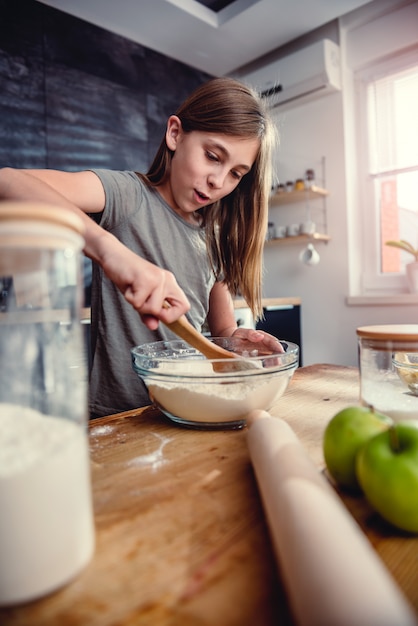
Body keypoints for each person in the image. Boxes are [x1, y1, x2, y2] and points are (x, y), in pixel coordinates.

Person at [0, 77, 282, 417]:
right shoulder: (128, 195)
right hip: (119, 417)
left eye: (236, 174)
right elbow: (8, 182)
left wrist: (235, 341)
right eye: (212, 156)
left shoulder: (214, 236)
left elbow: (218, 332)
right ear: (175, 134)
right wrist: (109, 250)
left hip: (187, 410)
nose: (218, 181)